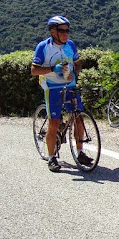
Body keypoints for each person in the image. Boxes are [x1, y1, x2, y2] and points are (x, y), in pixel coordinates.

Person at [31, 15, 93, 172]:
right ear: (53, 31)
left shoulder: (70, 45)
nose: (66, 33)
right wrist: (53, 69)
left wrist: (76, 73)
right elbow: (34, 70)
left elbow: (78, 63)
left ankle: (80, 153)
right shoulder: (43, 47)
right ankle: (52, 158)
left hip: (70, 85)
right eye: (62, 31)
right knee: (54, 122)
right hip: (52, 87)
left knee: (78, 118)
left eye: (67, 30)